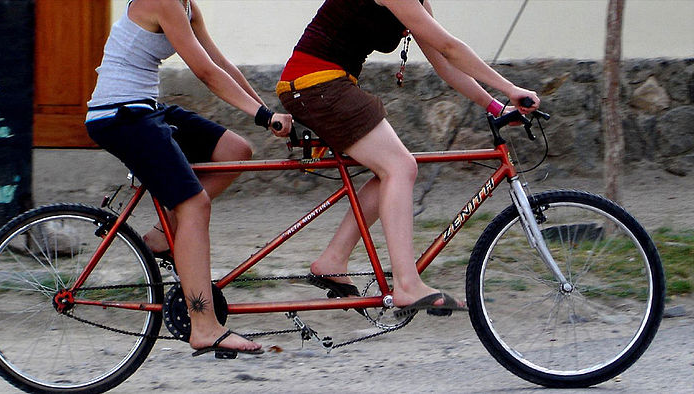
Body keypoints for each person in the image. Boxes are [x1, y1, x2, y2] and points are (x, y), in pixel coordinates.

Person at [277, 0, 539, 317]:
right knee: (401, 167)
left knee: (389, 172)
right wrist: (510, 88)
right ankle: (407, 284)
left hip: (322, 85)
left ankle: (333, 260)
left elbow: (444, 61)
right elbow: (449, 46)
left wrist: (496, 106)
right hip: (316, 84)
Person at [86, 0, 292, 356]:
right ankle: (205, 326)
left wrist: (269, 112)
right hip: (119, 115)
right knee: (194, 204)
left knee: (235, 151)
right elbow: (204, 73)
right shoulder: (162, 2)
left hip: (144, 109)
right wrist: (261, 116)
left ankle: (164, 233)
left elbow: (219, 64)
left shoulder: (187, 6)